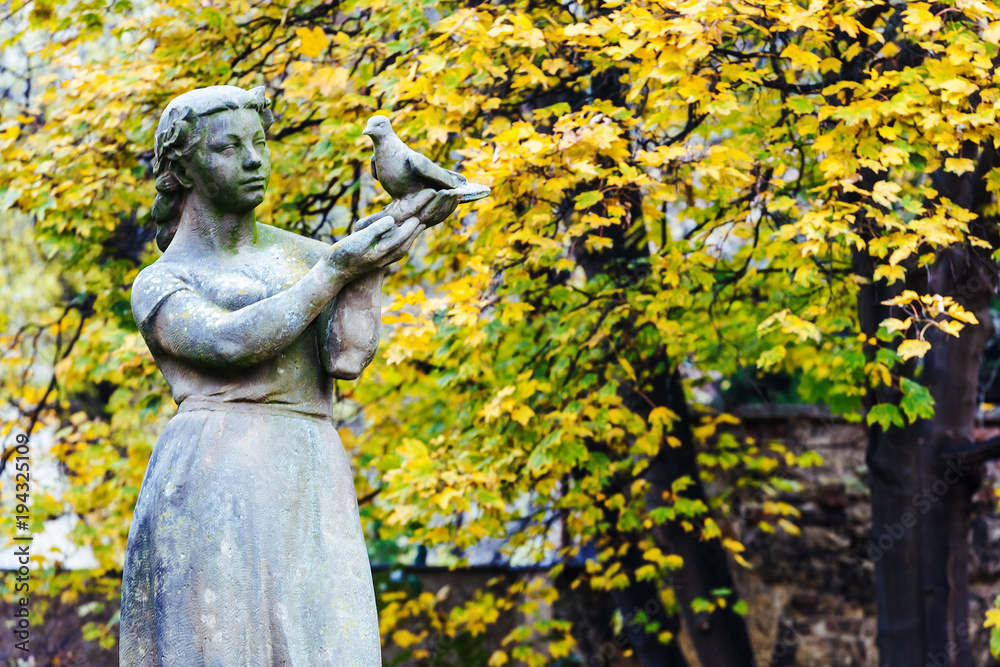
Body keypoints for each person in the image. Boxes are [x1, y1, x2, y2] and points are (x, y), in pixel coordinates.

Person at [121, 85, 457, 666]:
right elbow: (229, 343)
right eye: (229, 148)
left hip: (308, 462)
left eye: (260, 143)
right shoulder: (161, 279)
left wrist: (371, 267)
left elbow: (348, 358)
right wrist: (336, 268)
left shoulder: (303, 256)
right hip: (213, 474)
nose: (254, 160)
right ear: (182, 168)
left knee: (328, 643)